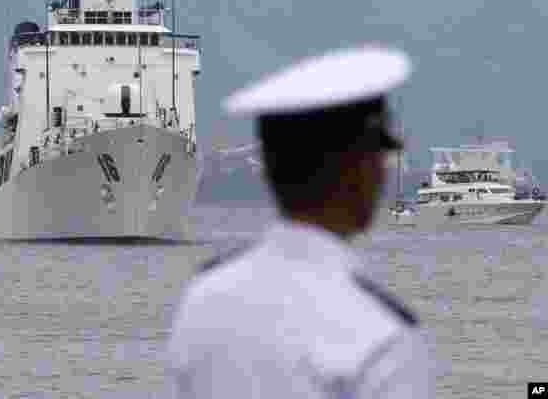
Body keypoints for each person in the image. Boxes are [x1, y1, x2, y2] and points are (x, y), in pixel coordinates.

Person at [168, 46, 433, 398]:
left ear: (270, 167)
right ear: (358, 167)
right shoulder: (381, 335)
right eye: (380, 153)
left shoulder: (201, 301)